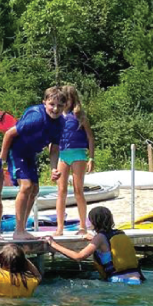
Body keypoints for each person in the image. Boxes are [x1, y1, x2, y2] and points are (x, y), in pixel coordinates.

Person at [0, 87, 65, 241]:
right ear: (44, 103)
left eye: (60, 106)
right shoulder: (36, 118)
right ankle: (19, 230)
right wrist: (2, 157)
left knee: (34, 189)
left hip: (30, 154)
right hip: (16, 151)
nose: (55, 109)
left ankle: (21, 228)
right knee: (27, 186)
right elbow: (9, 133)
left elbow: (54, 148)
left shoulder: (60, 123)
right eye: (51, 104)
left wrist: (53, 168)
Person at [48, 206, 145, 284]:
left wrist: (53, 244)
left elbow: (78, 257)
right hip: (137, 278)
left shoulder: (99, 238)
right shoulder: (120, 233)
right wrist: (94, 239)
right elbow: (109, 245)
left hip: (119, 281)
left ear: (93, 222)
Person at [51, 85, 95, 235]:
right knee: (61, 191)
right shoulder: (56, 118)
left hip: (78, 154)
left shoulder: (80, 116)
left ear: (72, 99)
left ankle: (82, 226)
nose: (64, 102)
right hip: (63, 155)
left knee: (78, 191)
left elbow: (90, 137)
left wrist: (91, 158)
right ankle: (59, 227)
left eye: (66, 99)